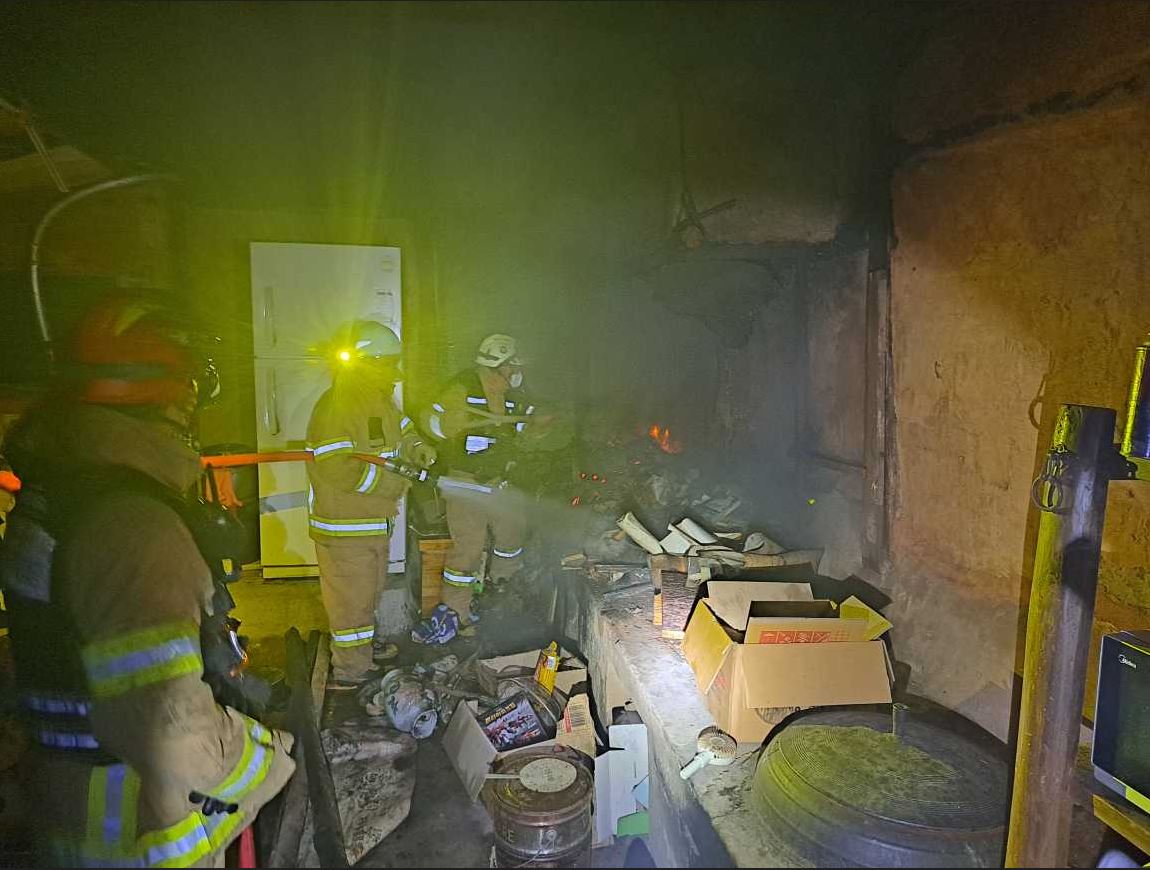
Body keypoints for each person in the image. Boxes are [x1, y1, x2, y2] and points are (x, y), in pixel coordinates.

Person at [0, 293, 295, 867]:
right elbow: (171, 729)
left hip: (74, 809)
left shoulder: (61, 497)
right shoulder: (133, 527)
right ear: (170, 398)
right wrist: (269, 758)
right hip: (140, 831)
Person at [306, 320, 434, 687]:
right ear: (366, 364)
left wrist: (417, 447)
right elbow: (335, 466)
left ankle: (362, 649)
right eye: (388, 363)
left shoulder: (378, 399)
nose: (395, 371)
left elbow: (402, 429)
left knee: (367, 596)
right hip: (344, 527)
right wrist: (391, 485)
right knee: (350, 605)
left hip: (371, 524)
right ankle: (351, 673)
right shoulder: (337, 406)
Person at [416, 333, 534, 643]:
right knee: (467, 549)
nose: (516, 373)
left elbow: (522, 429)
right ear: (496, 366)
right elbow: (429, 419)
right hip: (466, 482)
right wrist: (445, 425)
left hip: (500, 481)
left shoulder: (514, 395)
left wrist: (537, 428)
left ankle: (502, 595)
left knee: (511, 536)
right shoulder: (462, 388)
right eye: (511, 367)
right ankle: (458, 614)